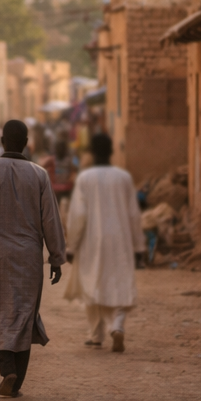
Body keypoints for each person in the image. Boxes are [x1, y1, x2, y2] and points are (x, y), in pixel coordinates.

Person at [0, 120, 68, 397]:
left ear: (2, 141)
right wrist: (56, 257)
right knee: (24, 313)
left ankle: (7, 369)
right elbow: (50, 220)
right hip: (29, 255)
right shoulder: (40, 175)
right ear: (27, 143)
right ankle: (16, 380)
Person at [64, 133, 143, 352]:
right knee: (118, 282)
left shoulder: (85, 178)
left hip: (92, 240)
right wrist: (139, 246)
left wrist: (71, 246)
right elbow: (134, 214)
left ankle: (96, 335)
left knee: (92, 282)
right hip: (121, 239)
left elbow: (77, 215)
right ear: (111, 152)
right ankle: (117, 325)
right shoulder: (123, 177)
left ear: (91, 152)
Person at [42, 137, 79, 219]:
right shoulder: (69, 159)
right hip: (66, 188)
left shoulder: (53, 159)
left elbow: (42, 166)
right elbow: (75, 169)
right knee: (65, 209)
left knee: (57, 209)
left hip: (56, 188)